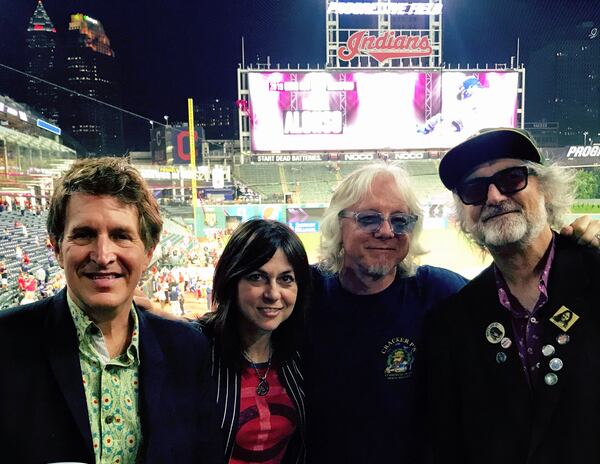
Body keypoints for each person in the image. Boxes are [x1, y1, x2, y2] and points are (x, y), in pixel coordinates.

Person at [305, 161, 600, 464]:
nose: (385, 231)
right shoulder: (301, 294)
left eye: (400, 221)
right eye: (368, 219)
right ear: (336, 224)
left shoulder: (441, 293)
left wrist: (587, 241)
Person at [0, 158, 221, 463]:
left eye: (121, 235)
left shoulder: (187, 351)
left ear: (148, 252)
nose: (103, 255)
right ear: (55, 246)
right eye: (84, 234)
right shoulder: (7, 343)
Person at [425, 128, 600, 464]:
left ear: (545, 190)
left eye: (511, 178)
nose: (492, 197)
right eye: (474, 189)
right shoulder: (450, 323)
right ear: (463, 216)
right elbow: (450, 444)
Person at [199, 219, 309, 463]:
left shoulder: (297, 355)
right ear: (232, 279)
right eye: (257, 277)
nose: (272, 294)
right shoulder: (198, 350)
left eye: (286, 279)